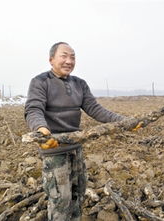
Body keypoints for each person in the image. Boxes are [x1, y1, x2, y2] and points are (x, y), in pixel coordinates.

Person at [24, 42, 126, 221]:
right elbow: (33, 109)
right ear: (51, 60)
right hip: (54, 149)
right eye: (64, 56)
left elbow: (95, 109)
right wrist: (42, 131)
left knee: (78, 195)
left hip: (76, 148)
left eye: (72, 57)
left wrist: (125, 122)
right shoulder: (40, 82)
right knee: (60, 201)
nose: (69, 61)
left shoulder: (80, 84)